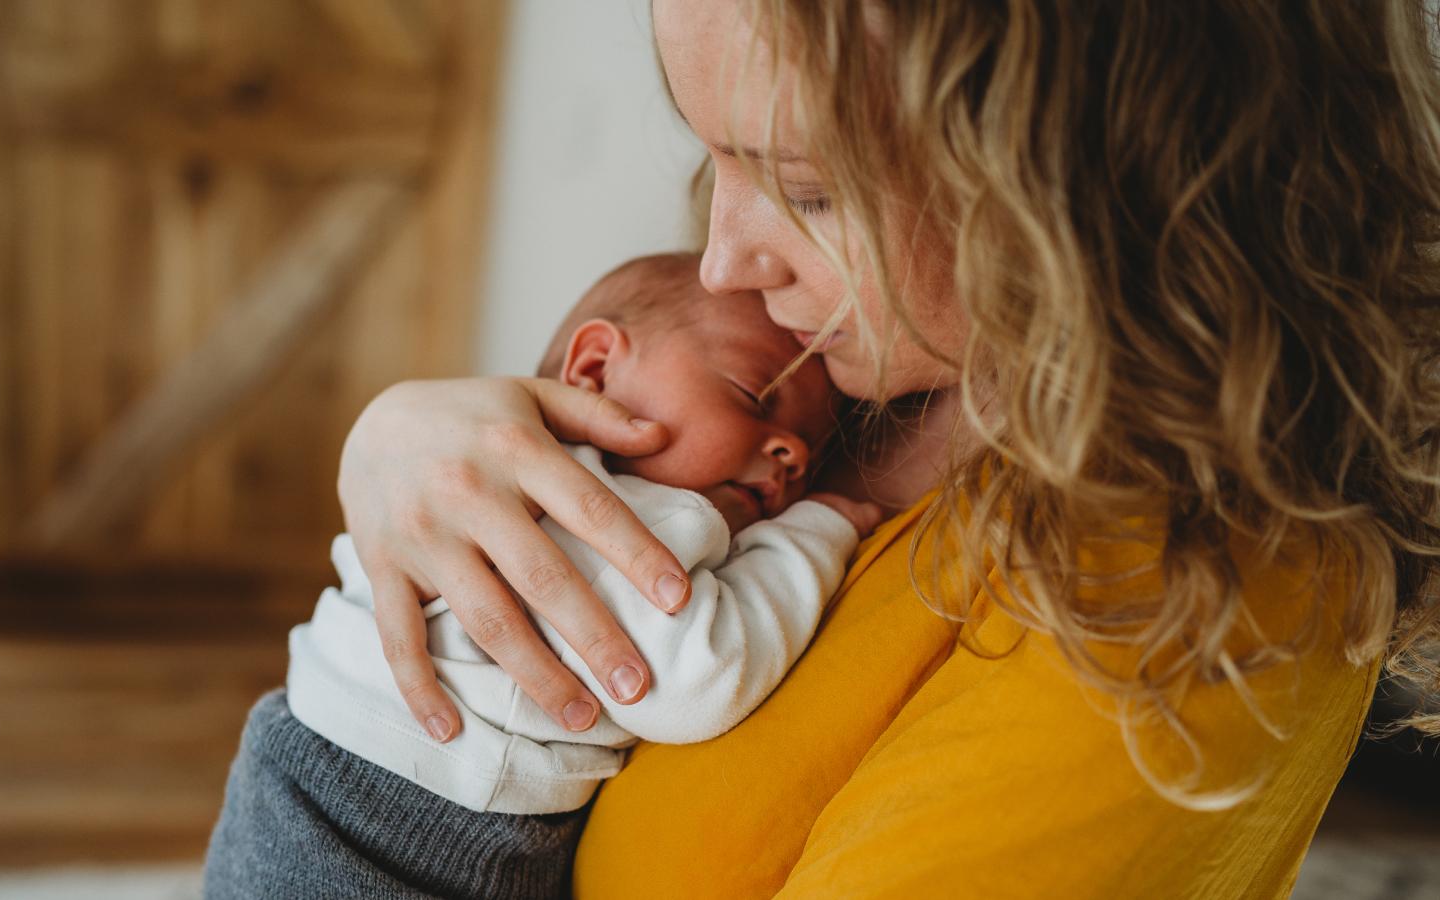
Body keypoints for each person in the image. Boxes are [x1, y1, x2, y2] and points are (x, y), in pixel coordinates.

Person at [331, 1, 1440, 897]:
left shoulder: (1197, 585)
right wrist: (408, 438)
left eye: (808, 187)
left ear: (1076, 173)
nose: (720, 261)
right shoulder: (835, 385)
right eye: (715, 154)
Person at [203, 254, 883, 898]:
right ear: (593, 369)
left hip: (309, 759)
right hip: (391, 822)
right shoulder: (625, 511)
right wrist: (817, 527)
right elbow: (699, 680)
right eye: (753, 395)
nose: (790, 451)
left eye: (812, 455)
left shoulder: (485, 465)